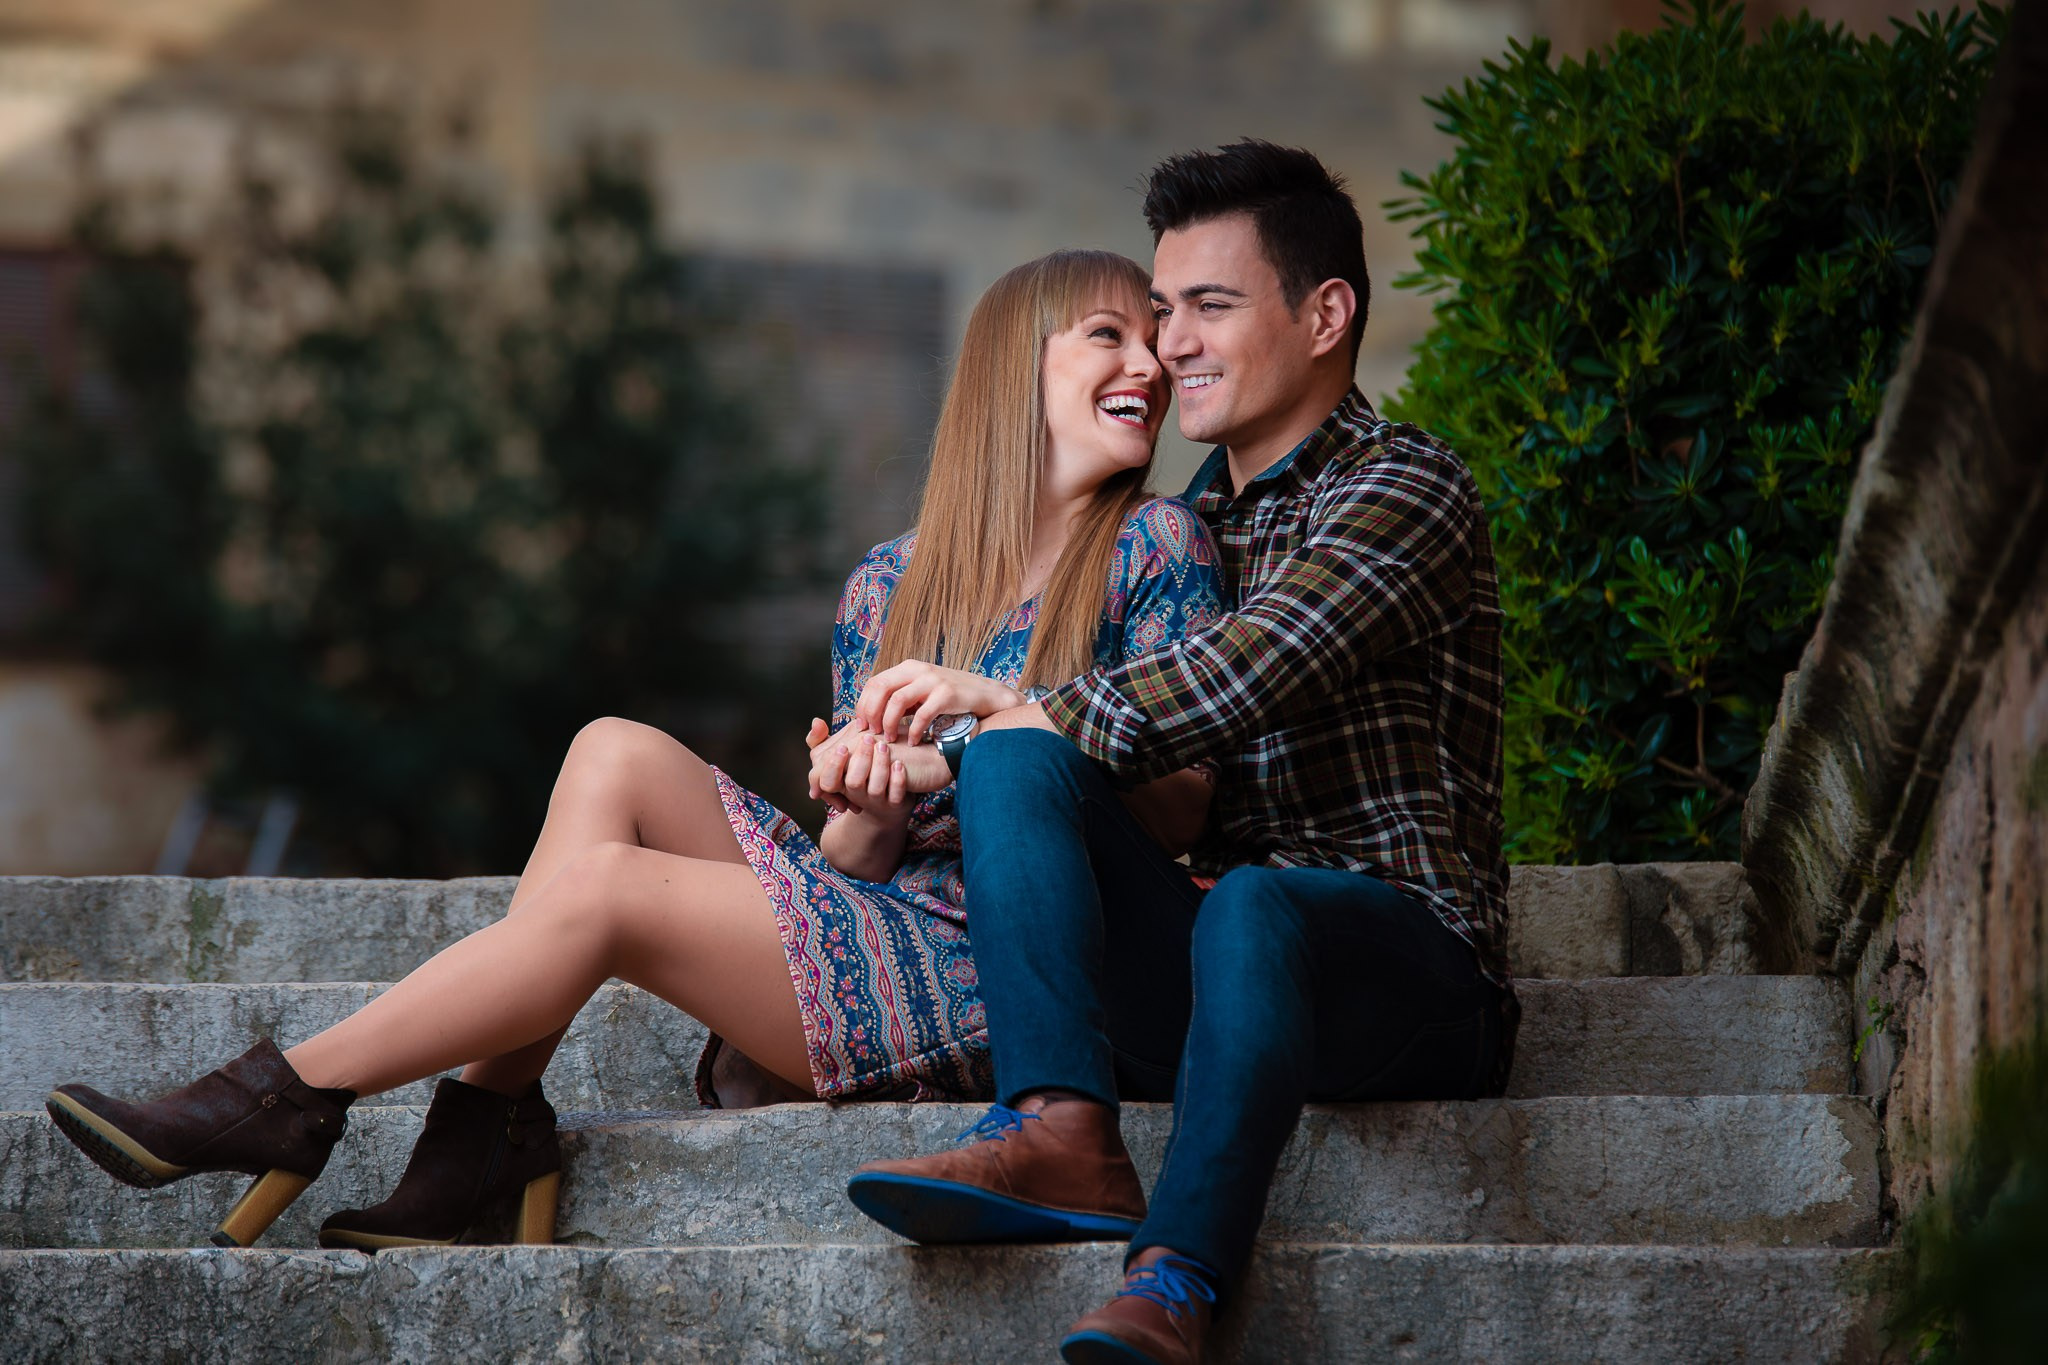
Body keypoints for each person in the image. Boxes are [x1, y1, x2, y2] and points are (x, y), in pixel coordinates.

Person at [42, 248, 1227, 1252]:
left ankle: (285, 1099)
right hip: (887, 922)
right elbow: (857, 864)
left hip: (1013, 980)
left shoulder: (1157, 545)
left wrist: (979, 726)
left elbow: (1178, 807)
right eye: (1108, 335)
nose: (1149, 366)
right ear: (1011, 371)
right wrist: (858, 807)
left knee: (608, 892)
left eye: (1157, 343)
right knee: (610, 748)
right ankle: (482, 1138)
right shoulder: (891, 583)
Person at [841, 142, 1516, 1365]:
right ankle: (1059, 1128)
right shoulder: (1175, 532)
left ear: (1323, 316)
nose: (1170, 348)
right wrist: (938, 750)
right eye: (1159, 314)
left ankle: (1174, 1279)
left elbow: (1246, 671)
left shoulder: (1403, 487)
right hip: (1206, 972)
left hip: (1402, 971)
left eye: (1209, 307)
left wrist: (995, 699)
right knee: (1016, 761)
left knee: (1247, 895)